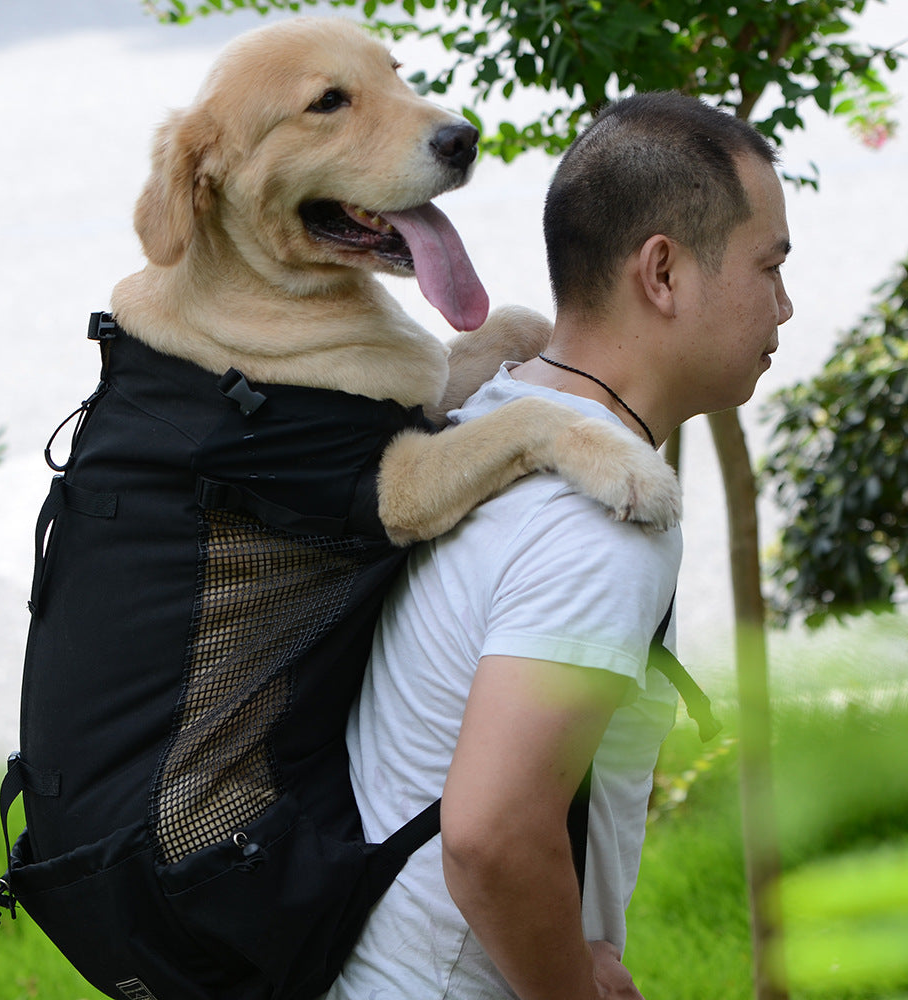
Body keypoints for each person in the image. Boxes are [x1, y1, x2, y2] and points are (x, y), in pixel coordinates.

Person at [324, 91, 793, 1000]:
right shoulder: (602, 524)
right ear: (663, 273)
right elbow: (492, 834)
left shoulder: (489, 419)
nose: (784, 302)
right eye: (768, 266)